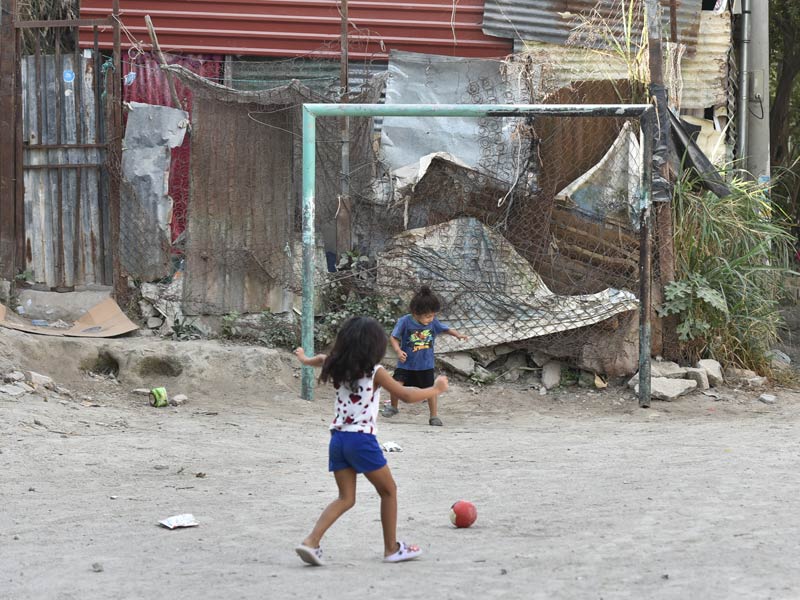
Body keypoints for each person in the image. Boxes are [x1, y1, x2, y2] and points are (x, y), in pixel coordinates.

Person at [293, 316, 449, 566]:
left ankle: (311, 541)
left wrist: (302, 358)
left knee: (345, 498)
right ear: (374, 346)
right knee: (388, 491)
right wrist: (436, 389)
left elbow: (318, 360)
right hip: (361, 441)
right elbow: (406, 395)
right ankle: (391, 549)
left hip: (338, 439)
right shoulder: (375, 372)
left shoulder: (335, 364)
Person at [382, 286, 467, 426]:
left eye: (433, 315)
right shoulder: (405, 321)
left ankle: (433, 416)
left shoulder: (433, 322)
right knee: (395, 386)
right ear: (415, 313)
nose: (431, 319)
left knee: (431, 390)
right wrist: (398, 351)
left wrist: (458, 335)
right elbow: (393, 337)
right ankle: (393, 407)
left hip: (425, 365)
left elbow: (445, 329)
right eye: (428, 316)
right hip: (406, 364)